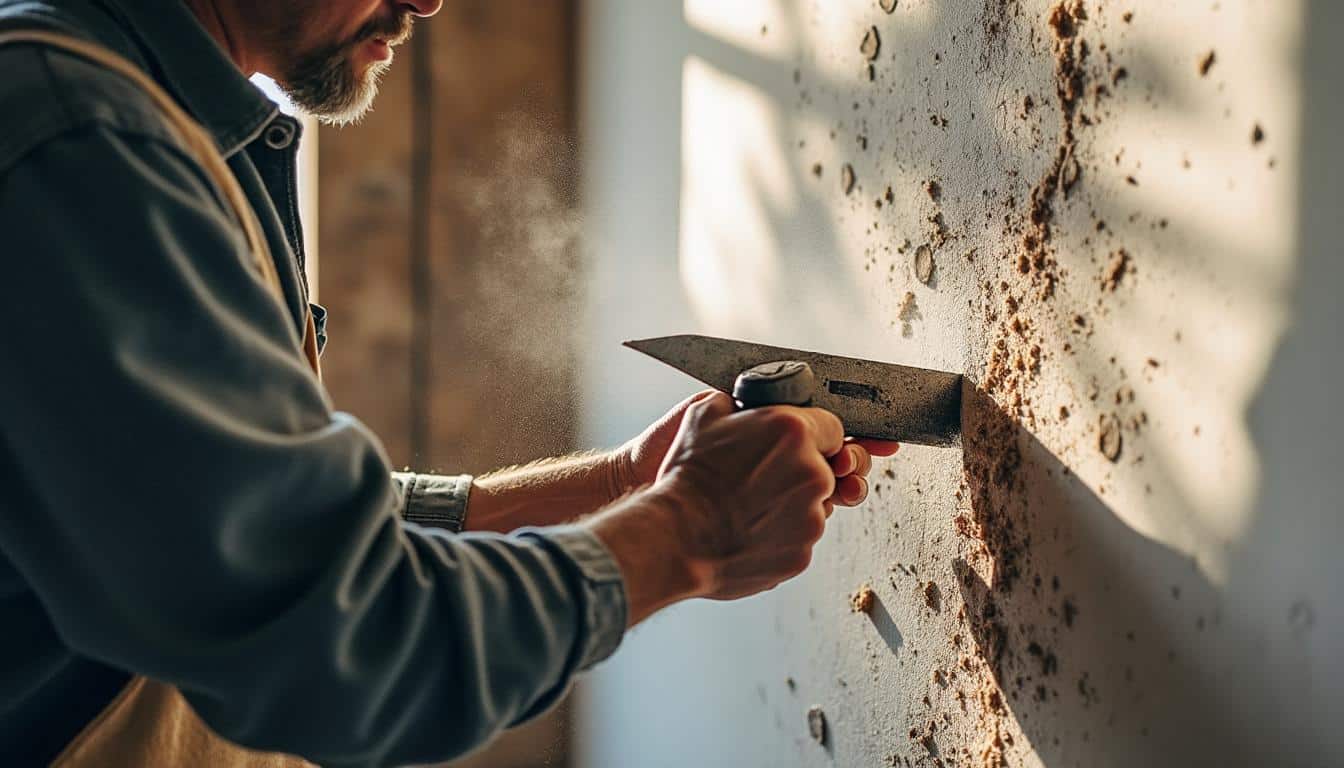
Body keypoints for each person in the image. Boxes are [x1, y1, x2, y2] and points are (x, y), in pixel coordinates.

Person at [0, 1, 897, 766]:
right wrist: (691, 528)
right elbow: (344, 648)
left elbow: (238, 523)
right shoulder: (79, 142)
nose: (429, 2)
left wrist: (624, 482)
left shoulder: (153, 120)